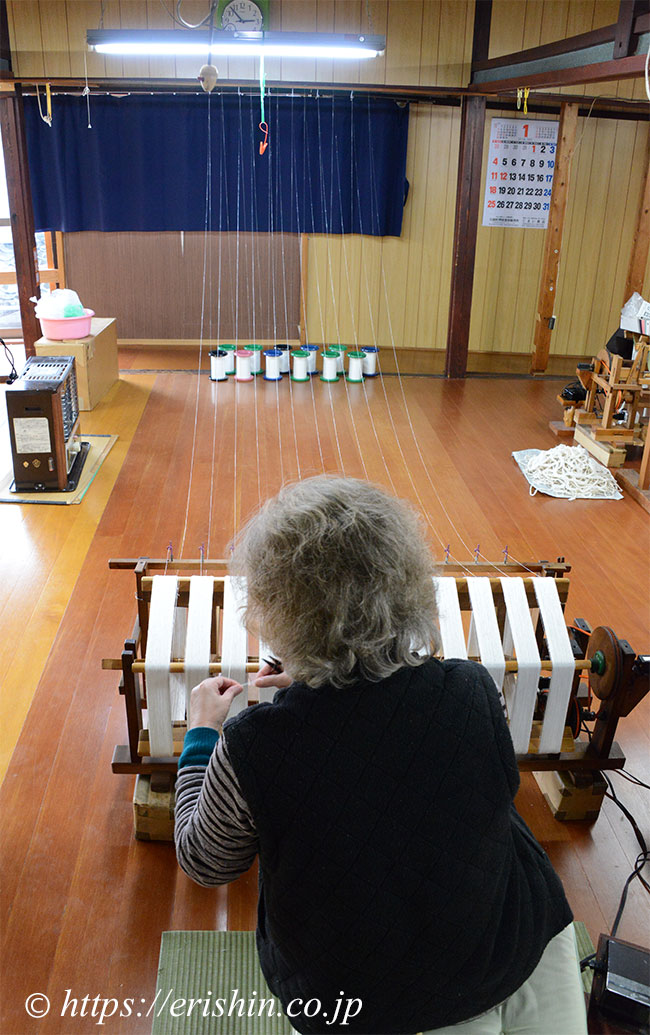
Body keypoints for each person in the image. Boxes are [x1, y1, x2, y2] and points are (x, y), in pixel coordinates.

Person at [174, 477, 587, 1035]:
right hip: (497, 951)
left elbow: (206, 862)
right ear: (408, 581)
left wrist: (202, 734)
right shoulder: (471, 689)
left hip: (349, 997)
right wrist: (330, 674)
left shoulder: (253, 744)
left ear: (276, 611)